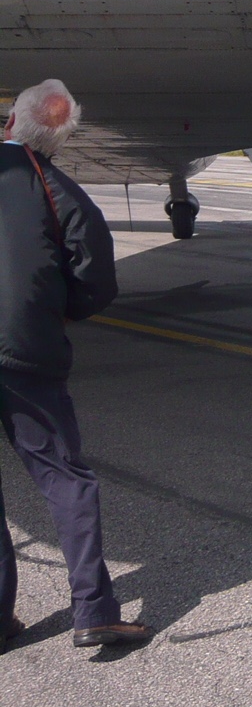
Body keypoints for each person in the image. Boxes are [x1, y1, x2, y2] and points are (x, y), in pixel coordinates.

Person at [1, 80, 152, 649]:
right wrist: (56, 310)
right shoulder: (62, 192)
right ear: (60, 141)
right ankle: (93, 608)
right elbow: (96, 281)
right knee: (64, 478)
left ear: (11, 120)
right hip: (25, 351)